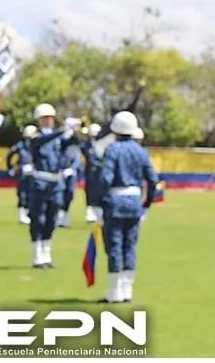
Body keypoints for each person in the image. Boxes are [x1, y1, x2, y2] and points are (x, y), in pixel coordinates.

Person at [99, 111, 158, 303]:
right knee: (130, 246)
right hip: (134, 202)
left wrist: (100, 203)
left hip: (115, 202)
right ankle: (127, 290)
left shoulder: (112, 150)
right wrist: (147, 204)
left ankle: (113, 292)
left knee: (114, 245)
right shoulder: (141, 151)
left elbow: (105, 179)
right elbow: (153, 180)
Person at [27, 103, 79, 268]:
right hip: (40, 181)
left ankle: (46, 253)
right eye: (45, 118)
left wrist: (72, 133)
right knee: (38, 218)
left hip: (56, 183)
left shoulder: (58, 138)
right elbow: (41, 141)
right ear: (39, 120)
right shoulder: (36, 135)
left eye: (50, 118)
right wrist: (62, 131)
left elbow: (70, 147)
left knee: (52, 218)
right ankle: (37, 255)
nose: (49, 121)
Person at [7, 125, 35, 225]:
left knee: (31, 194)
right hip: (22, 173)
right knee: (22, 194)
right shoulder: (20, 145)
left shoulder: (37, 144)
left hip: (33, 173)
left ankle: (27, 215)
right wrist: (10, 168)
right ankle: (21, 215)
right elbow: (10, 155)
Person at [80, 123, 106, 223]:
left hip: (102, 172)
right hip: (90, 171)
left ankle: (99, 212)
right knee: (89, 191)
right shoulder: (86, 145)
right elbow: (89, 157)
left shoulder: (103, 144)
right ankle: (89, 212)